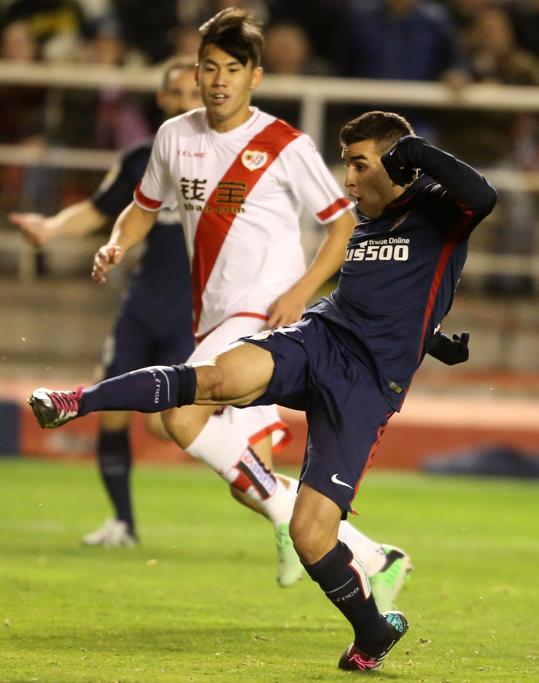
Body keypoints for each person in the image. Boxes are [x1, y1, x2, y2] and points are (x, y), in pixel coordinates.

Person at [28, 109, 497, 670]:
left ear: (396, 162)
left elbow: (484, 196)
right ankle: (75, 401)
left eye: (358, 165)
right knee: (218, 378)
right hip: (321, 337)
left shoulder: (438, 210)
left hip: (366, 386)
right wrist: (433, 338)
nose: (348, 179)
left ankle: (371, 632)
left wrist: (415, 154)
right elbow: (387, 295)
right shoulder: (366, 215)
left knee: (309, 533)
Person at [29, 6, 412, 609]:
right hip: (213, 313)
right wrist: (114, 244)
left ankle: (76, 400)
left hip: (266, 312)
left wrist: (300, 292)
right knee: (244, 481)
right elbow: (143, 206)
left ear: (255, 76)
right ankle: (371, 554)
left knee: (180, 417)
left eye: (232, 68)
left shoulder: (284, 144)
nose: (218, 79)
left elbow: (341, 227)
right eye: (210, 66)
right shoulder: (174, 137)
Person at [11, 59, 200, 547]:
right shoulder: (143, 159)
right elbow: (99, 211)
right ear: (161, 100)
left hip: (193, 312)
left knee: (166, 428)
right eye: (174, 94)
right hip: (142, 306)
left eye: (191, 94)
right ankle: (124, 524)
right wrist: (51, 227)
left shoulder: (225, 159)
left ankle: (258, 470)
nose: (182, 103)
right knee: (111, 412)